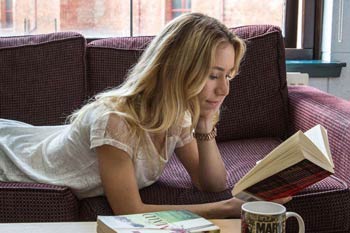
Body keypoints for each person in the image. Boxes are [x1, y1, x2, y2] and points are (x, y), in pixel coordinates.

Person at [0, 13, 290, 219]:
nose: (224, 89)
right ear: (178, 69)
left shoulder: (176, 116)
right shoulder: (114, 122)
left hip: (38, 140)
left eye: (228, 75)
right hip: (11, 156)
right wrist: (225, 208)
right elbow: (129, 211)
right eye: (214, 75)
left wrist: (203, 123)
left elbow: (210, 183)